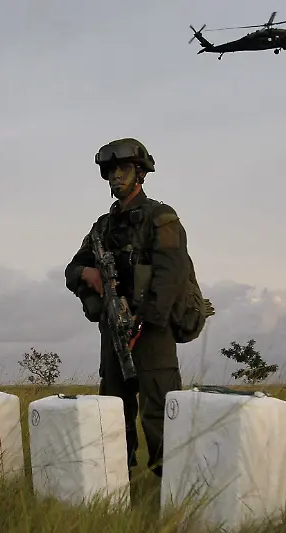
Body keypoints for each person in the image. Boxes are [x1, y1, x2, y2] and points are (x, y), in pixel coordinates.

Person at [64, 137, 202, 479]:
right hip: (114, 330)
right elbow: (71, 270)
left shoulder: (161, 218)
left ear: (140, 172)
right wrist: (88, 274)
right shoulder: (103, 226)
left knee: (160, 412)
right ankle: (114, 481)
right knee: (111, 412)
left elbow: (172, 274)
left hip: (152, 330)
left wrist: (145, 323)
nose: (115, 177)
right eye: (110, 170)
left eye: (123, 169)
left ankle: (171, 485)